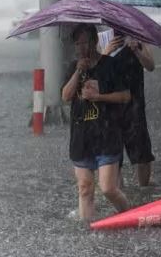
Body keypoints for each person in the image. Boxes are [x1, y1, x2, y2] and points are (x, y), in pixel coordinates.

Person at [62, 24, 131, 221]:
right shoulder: (73, 67)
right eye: (77, 44)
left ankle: (130, 217)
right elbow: (66, 96)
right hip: (82, 137)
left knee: (108, 188)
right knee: (85, 189)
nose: (81, 47)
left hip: (107, 134)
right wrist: (77, 72)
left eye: (85, 42)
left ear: (95, 41)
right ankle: (88, 235)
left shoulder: (111, 64)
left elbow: (125, 96)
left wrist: (99, 97)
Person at [103, 31, 155, 186]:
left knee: (142, 152)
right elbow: (97, 72)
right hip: (111, 106)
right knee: (114, 156)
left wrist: (136, 50)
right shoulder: (103, 39)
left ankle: (143, 192)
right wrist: (106, 52)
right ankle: (120, 193)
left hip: (135, 105)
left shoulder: (140, 38)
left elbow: (151, 66)